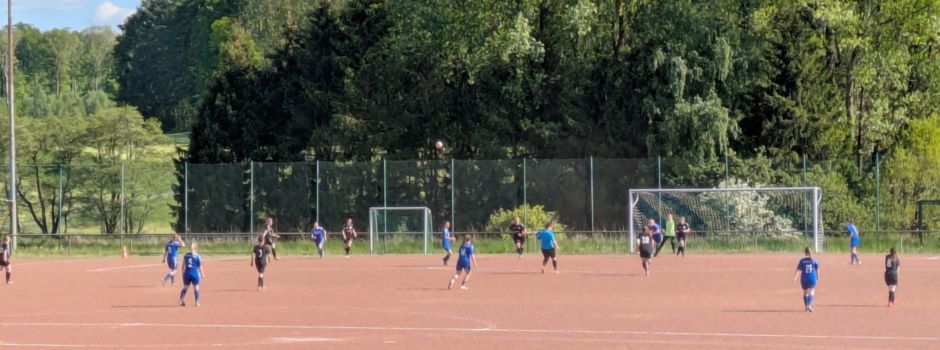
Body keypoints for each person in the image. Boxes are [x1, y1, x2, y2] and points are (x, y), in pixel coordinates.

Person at [793, 246, 819, 312]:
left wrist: (795, 277)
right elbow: (817, 270)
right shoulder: (815, 260)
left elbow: (798, 270)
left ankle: (806, 306)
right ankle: (809, 305)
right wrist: (818, 277)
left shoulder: (802, 261)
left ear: (805, 252)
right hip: (812, 278)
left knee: (805, 292)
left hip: (804, 278)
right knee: (812, 291)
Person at [179, 242, 204, 307]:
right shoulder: (198, 256)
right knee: (196, 288)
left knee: (185, 287)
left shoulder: (186, 255)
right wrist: (202, 274)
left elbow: (183, 264)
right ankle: (196, 302)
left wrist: (182, 272)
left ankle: (181, 300)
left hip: (187, 273)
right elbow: (200, 266)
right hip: (194, 273)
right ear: (196, 248)